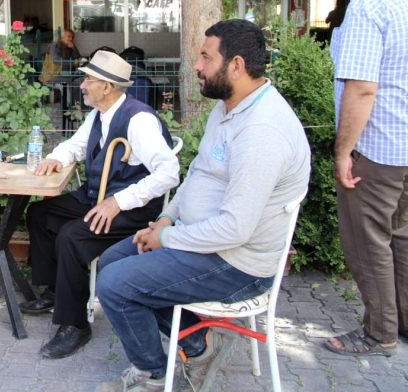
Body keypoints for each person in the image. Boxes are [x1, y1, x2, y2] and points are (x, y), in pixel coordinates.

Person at [96, 19, 310, 391]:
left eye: (206, 58)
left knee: (114, 283)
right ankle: (198, 345)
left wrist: (167, 238)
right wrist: (164, 219)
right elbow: (197, 174)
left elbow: (235, 229)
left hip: (237, 264)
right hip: (203, 243)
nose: (196, 66)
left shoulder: (262, 132)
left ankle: (153, 373)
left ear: (237, 66)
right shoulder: (229, 108)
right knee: (114, 260)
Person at [20, 50, 180, 359]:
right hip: (98, 196)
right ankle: (55, 291)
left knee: (71, 236)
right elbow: (77, 145)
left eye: (88, 80)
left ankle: (75, 325)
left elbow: (169, 173)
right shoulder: (99, 114)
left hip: (132, 209)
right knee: (40, 214)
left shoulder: (139, 120)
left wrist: (119, 202)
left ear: (106, 87)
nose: (81, 85)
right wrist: (57, 157)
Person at [325, 0, 408, 357]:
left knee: (368, 240)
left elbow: (361, 88)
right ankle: (403, 321)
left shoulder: (369, 3)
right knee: (403, 236)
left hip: (379, 149)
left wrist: (343, 153)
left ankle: (380, 332)